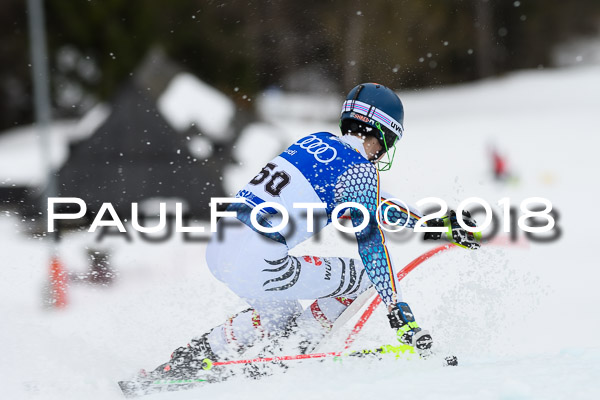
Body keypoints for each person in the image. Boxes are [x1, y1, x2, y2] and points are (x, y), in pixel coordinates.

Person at [149, 83, 480, 379]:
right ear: (380, 133)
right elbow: (372, 246)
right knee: (365, 278)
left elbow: (375, 202)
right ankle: (294, 352)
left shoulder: (316, 142)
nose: (383, 152)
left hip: (221, 245)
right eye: (387, 142)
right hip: (260, 259)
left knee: (280, 313)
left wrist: (429, 224)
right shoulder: (358, 170)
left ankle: (193, 357)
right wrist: (396, 309)